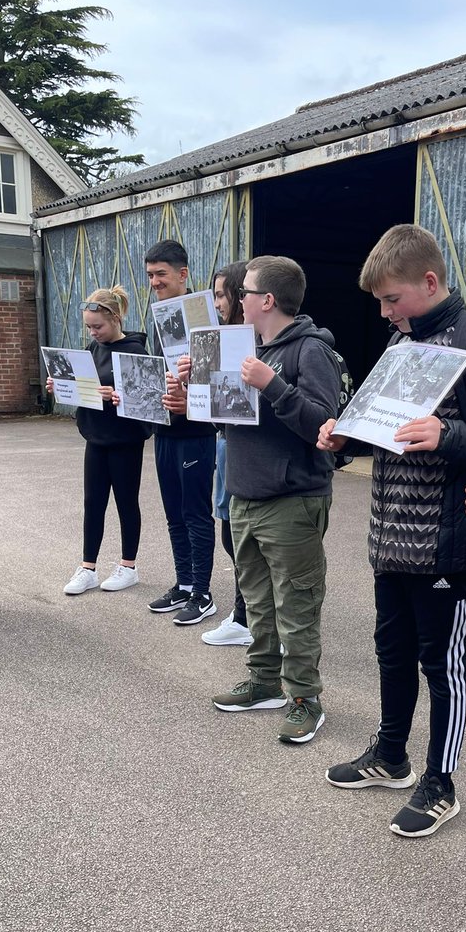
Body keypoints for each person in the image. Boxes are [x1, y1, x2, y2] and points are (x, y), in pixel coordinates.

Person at [318, 224, 466, 832]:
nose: (387, 314)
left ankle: (440, 783)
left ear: (430, 281)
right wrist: (343, 437)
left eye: (393, 300)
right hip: (390, 536)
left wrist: (452, 436)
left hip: (446, 546)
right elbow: (379, 426)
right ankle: (390, 755)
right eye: (381, 305)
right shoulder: (401, 347)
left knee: (441, 664)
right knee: (389, 651)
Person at [211, 255, 342, 744]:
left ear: (266, 300)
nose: (235, 300)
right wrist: (193, 392)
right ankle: (264, 681)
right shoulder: (247, 348)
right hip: (244, 496)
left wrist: (273, 385)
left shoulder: (311, 351)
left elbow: (324, 427)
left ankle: (305, 698)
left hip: (291, 501)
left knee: (296, 604)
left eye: (242, 292)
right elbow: (229, 422)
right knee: (258, 603)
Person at [49, 286, 150, 596]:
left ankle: (128, 566)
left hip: (125, 439)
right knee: (93, 503)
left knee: (125, 503)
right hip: (95, 436)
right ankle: (88, 568)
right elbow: (85, 387)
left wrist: (119, 395)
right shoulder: (92, 350)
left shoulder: (135, 351)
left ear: (116, 318)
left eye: (98, 326)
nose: (93, 333)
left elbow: (147, 397)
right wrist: (61, 385)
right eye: (89, 327)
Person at [144, 240, 218, 627]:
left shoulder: (204, 317)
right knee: (174, 513)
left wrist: (189, 396)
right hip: (164, 430)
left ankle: (203, 592)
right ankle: (185, 583)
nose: (154, 282)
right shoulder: (157, 317)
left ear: (183, 274)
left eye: (161, 274)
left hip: (197, 432)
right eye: (150, 275)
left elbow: (217, 378)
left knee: (195, 513)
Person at [202, 262, 253, 648]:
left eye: (221, 294)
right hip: (224, 443)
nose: (217, 302)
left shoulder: (254, 342)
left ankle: (248, 615)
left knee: (243, 537)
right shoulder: (219, 337)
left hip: (247, 451)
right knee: (229, 533)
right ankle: (242, 613)